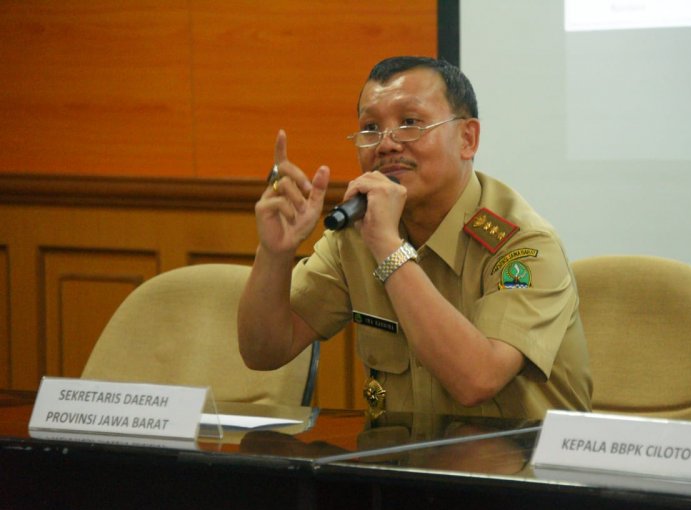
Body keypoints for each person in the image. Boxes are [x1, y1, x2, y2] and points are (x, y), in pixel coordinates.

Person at [238, 56, 591, 419]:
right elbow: (264, 352)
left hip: (519, 469)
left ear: (467, 139)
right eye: (371, 127)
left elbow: (476, 379)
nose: (386, 144)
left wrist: (388, 249)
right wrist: (274, 252)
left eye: (410, 123)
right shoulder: (358, 236)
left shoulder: (524, 244)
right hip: (403, 466)